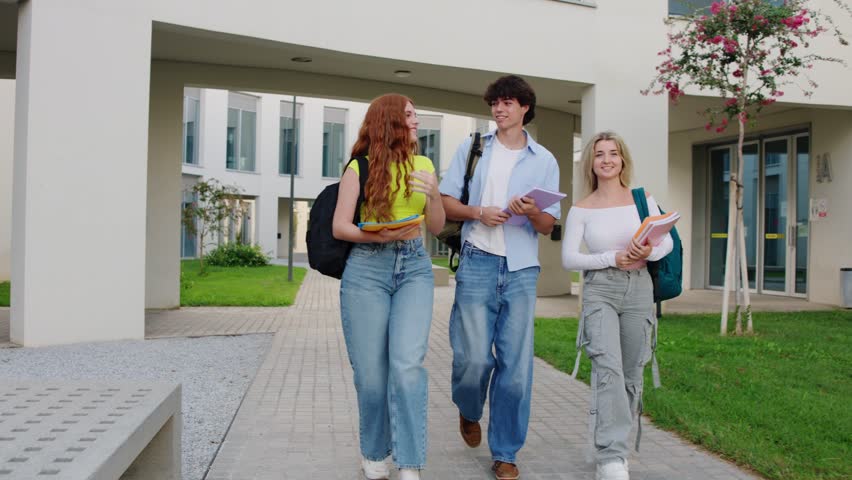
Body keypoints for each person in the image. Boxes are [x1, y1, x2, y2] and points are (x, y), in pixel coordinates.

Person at [439, 75, 560, 480]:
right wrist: (479, 212)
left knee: (516, 368)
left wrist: (529, 211)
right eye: (495, 102)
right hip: (477, 261)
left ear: (525, 107)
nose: (499, 109)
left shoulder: (543, 160)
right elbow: (445, 203)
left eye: (508, 102)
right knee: (473, 358)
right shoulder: (473, 148)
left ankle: (505, 452)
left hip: (523, 269)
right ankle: (469, 408)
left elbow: (547, 225)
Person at [332, 94, 445, 480]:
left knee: (407, 366)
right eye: (410, 115)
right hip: (367, 270)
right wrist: (378, 237)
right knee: (371, 374)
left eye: (416, 113)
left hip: (414, 266)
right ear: (390, 121)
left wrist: (433, 194)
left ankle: (410, 462)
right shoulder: (359, 168)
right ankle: (375, 451)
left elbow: (435, 226)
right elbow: (341, 226)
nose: (416, 120)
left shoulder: (426, 164)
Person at [561, 131, 673, 480]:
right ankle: (611, 457)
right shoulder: (582, 208)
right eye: (599, 154)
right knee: (607, 370)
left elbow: (665, 240)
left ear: (623, 159)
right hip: (600, 291)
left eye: (613, 153)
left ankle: (615, 448)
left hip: (639, 289)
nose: (607, 159)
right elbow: (568, 258)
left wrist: (648, 252)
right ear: (590, 163)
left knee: (630, 374)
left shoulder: (642, 199)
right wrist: (613, 257)